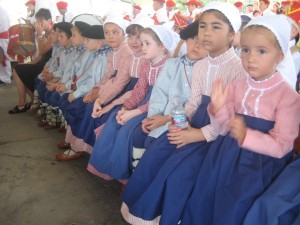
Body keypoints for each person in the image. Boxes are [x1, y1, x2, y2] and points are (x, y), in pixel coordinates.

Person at [121, 2, 245, 224]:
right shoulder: (201, 66)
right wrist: (179, 123)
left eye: (216, 27)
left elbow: (231, 119)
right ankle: (145, 214)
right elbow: (194, 103)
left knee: (181, 172)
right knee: (157, 152)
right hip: (192, 123)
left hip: (218, 136)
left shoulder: (238, 70)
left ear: (232, 35)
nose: (206, 33)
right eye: (203, 26)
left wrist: (197, 135)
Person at [180, 14, 300, 225]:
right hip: (224, 155)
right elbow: (223, 128)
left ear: (280, 56)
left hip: (258, 165)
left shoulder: (288, 97)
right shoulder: (238, 85)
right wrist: (218, 109)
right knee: (206, 193)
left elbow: (282, 145)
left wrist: (246, 135)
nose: (251, 58)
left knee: (235, 205)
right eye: (245, 50)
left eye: (261, 51)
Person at [88, 25, 178, 181]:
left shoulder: (169, 65)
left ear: (162, 45)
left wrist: (135, 112)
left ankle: (125, 174)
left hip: (160, 107)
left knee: (127, 130)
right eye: (142, 43)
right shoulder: (147, 64)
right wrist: (125, 108)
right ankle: (107, 167)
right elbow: (140, 90)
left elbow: (161, 98)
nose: (142, 47)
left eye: (147, 43)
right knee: (115, 120)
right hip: (145, 101)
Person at [58, 16, 153, 161]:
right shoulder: (113, 52)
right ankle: (78, 144)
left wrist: (101, 98)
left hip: (126, 93)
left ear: (122, 34)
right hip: (115, 89)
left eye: (115, 32)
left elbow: (122, 83)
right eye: (107, 32)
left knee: (93, 111)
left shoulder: (129, 53)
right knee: (86, 106)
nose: (110, 36)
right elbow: (109, 76)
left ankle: (87, 148)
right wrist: (97, 91)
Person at [130, 20, 208, 169]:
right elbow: (160, 93)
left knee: (162, 146)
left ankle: (148, 177)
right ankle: (137, 170)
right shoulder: (172, 64)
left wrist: (166, 120)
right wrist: (152, 118)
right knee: (139, 133)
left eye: (202, 41)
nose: (196, 45)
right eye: (192, 38)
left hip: (186, 123)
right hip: (162, 115)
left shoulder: (207, 70)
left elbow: (195, 106)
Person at [9, 8, 53, 114]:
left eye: (41, 21)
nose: (39, 24)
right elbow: (40, 56)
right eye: (37, 22)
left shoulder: (53, 32)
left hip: (49, 64)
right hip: (42, 61)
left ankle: (24, 103)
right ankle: (32, 101)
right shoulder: (45, 33)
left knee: (19, 71)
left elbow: (42, 51)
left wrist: (39, 34)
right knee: (19, 68)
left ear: (49, 20)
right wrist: (28, 63)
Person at [0, 3, 11, 85]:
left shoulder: (2, 11)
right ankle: (4, 76)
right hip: (3, 36)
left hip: (3, 37)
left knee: (4, 57)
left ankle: (6, 77)